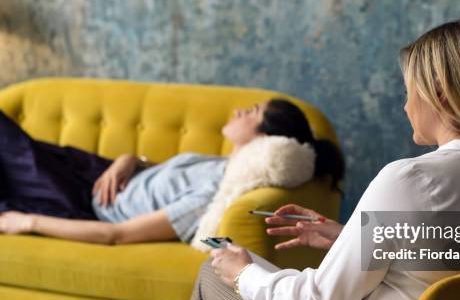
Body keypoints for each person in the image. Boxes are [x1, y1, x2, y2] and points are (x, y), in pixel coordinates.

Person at [161, 18, 460, 300]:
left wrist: (242, 273)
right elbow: (442, 257)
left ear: (438, 91)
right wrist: (351, 237)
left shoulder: (410, 180)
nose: (405, 106)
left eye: (407, 91)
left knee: (214, 270)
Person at [0, 99, 344, 245]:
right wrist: (130, 159)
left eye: (251, 112)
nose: (239, 110)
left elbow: (117, 235)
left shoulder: (212, 199)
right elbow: (161, 175)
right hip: (97, 172)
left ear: (266, 136)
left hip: (80, 200)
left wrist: (26, 222)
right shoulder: (221, 167)